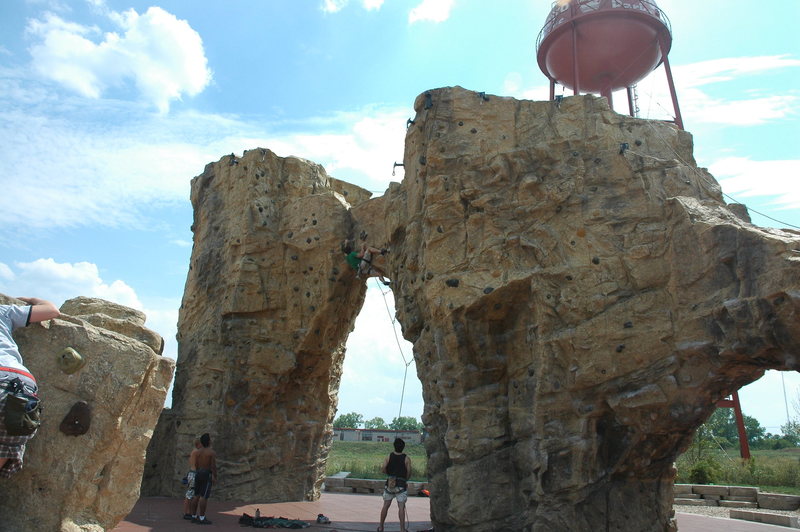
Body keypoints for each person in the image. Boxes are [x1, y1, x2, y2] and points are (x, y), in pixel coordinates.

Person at [0, 297, 60, 478]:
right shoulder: (4, 311)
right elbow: (51, 311)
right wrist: (29, 299)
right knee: (6, 446)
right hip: (22, 382)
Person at [378, 438, 412, 532]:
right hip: (401, 485)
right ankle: (402, 529)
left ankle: (381, 527)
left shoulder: (389, 456)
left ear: (394, 446)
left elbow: (383, 468)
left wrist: (389, 475)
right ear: (403, 447)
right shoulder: (406, 458)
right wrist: (405, 479)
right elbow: (409, 472)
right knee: (401, 507)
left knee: (385, 505)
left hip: (390, 484)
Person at [189, 433, 218, 525]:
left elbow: (196, 465)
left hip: (198, 473)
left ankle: (193, 516)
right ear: (209, 441)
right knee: (204, 497)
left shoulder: (197, 452)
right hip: (206, 474)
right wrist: (214, 476)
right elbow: (213, 466)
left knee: (196, 495)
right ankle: (202, 517)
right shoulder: (211, 452)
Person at [182, 436, 202, 520]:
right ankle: (187, 512)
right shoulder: (196, 452)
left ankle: (189, 512)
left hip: (191, 473)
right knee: (190, 494)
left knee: (191, 494)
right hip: (194, 474)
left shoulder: (194, 451)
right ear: (199, 444)